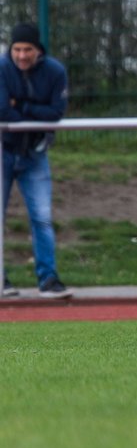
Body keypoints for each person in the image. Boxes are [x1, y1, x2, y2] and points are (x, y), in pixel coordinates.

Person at [0, 23, 71, 300]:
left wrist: (24, 107)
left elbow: (55, 113)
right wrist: (34, 118)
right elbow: (3, 109)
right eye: (17, 49)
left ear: (37, 50)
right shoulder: (3, 67)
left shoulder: (55, 71)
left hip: (34, 155)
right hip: (4, 151)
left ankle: (49, 280)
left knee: (42, 217)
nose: (21, 56)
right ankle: (2, 279)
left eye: (27, 49)